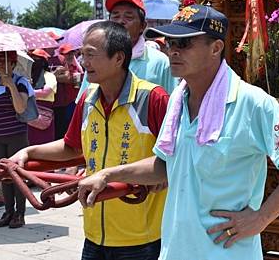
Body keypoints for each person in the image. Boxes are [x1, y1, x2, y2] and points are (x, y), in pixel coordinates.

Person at [76, 4, 279, 260]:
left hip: (226, 253)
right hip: (176, 250)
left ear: (216, 48)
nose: (172, 51)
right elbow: (166, 166)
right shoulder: (178, 100)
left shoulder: (250, 102)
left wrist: (261, 218)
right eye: (171, 42)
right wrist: (108, 174)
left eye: (184, 44)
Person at [11, 22, 170, 260]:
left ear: (118, 58)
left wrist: (108, 175)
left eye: (91, 55)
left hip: (140, 236)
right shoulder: (87, 98)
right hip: (94, 232)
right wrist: (29, 152)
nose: (83, 62)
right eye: (82, 54)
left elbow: (170, 162)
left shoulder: (153, 98)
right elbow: (71, 146)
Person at [76, 0, 176, 97]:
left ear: (142, 26)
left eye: (128, 17)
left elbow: (172, 106)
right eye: (115, 16)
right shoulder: (97, 61)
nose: (121, 22)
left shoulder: (160, 62)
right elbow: (84, 104)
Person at [0, 51, 35, 228]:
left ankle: (20, 213)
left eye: (5, 62)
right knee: (3, 175)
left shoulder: (21, 82)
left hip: (16, 135)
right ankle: (8, 211)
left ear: (13, 64)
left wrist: (11, 85)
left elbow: (20, 108)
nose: (1, 65)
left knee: (18, 175)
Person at [51, 43, 83, 140]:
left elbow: (75, 80)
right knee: (61, 128)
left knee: (70, 126)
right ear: (61, 55)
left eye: (71, 53)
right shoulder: (59, 65)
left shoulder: (75, 66)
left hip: (73, 101)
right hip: (61, 103)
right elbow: (66, 78)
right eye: (67, 54)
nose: (69, 56)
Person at [28, 49, 57, 145]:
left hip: (44, 115)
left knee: (45, 144)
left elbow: (45, 92)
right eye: (33, 58)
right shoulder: (28, 77)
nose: (34, 61)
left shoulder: (49, 76)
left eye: (37, 59)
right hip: (30, 114)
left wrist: (27, 92)